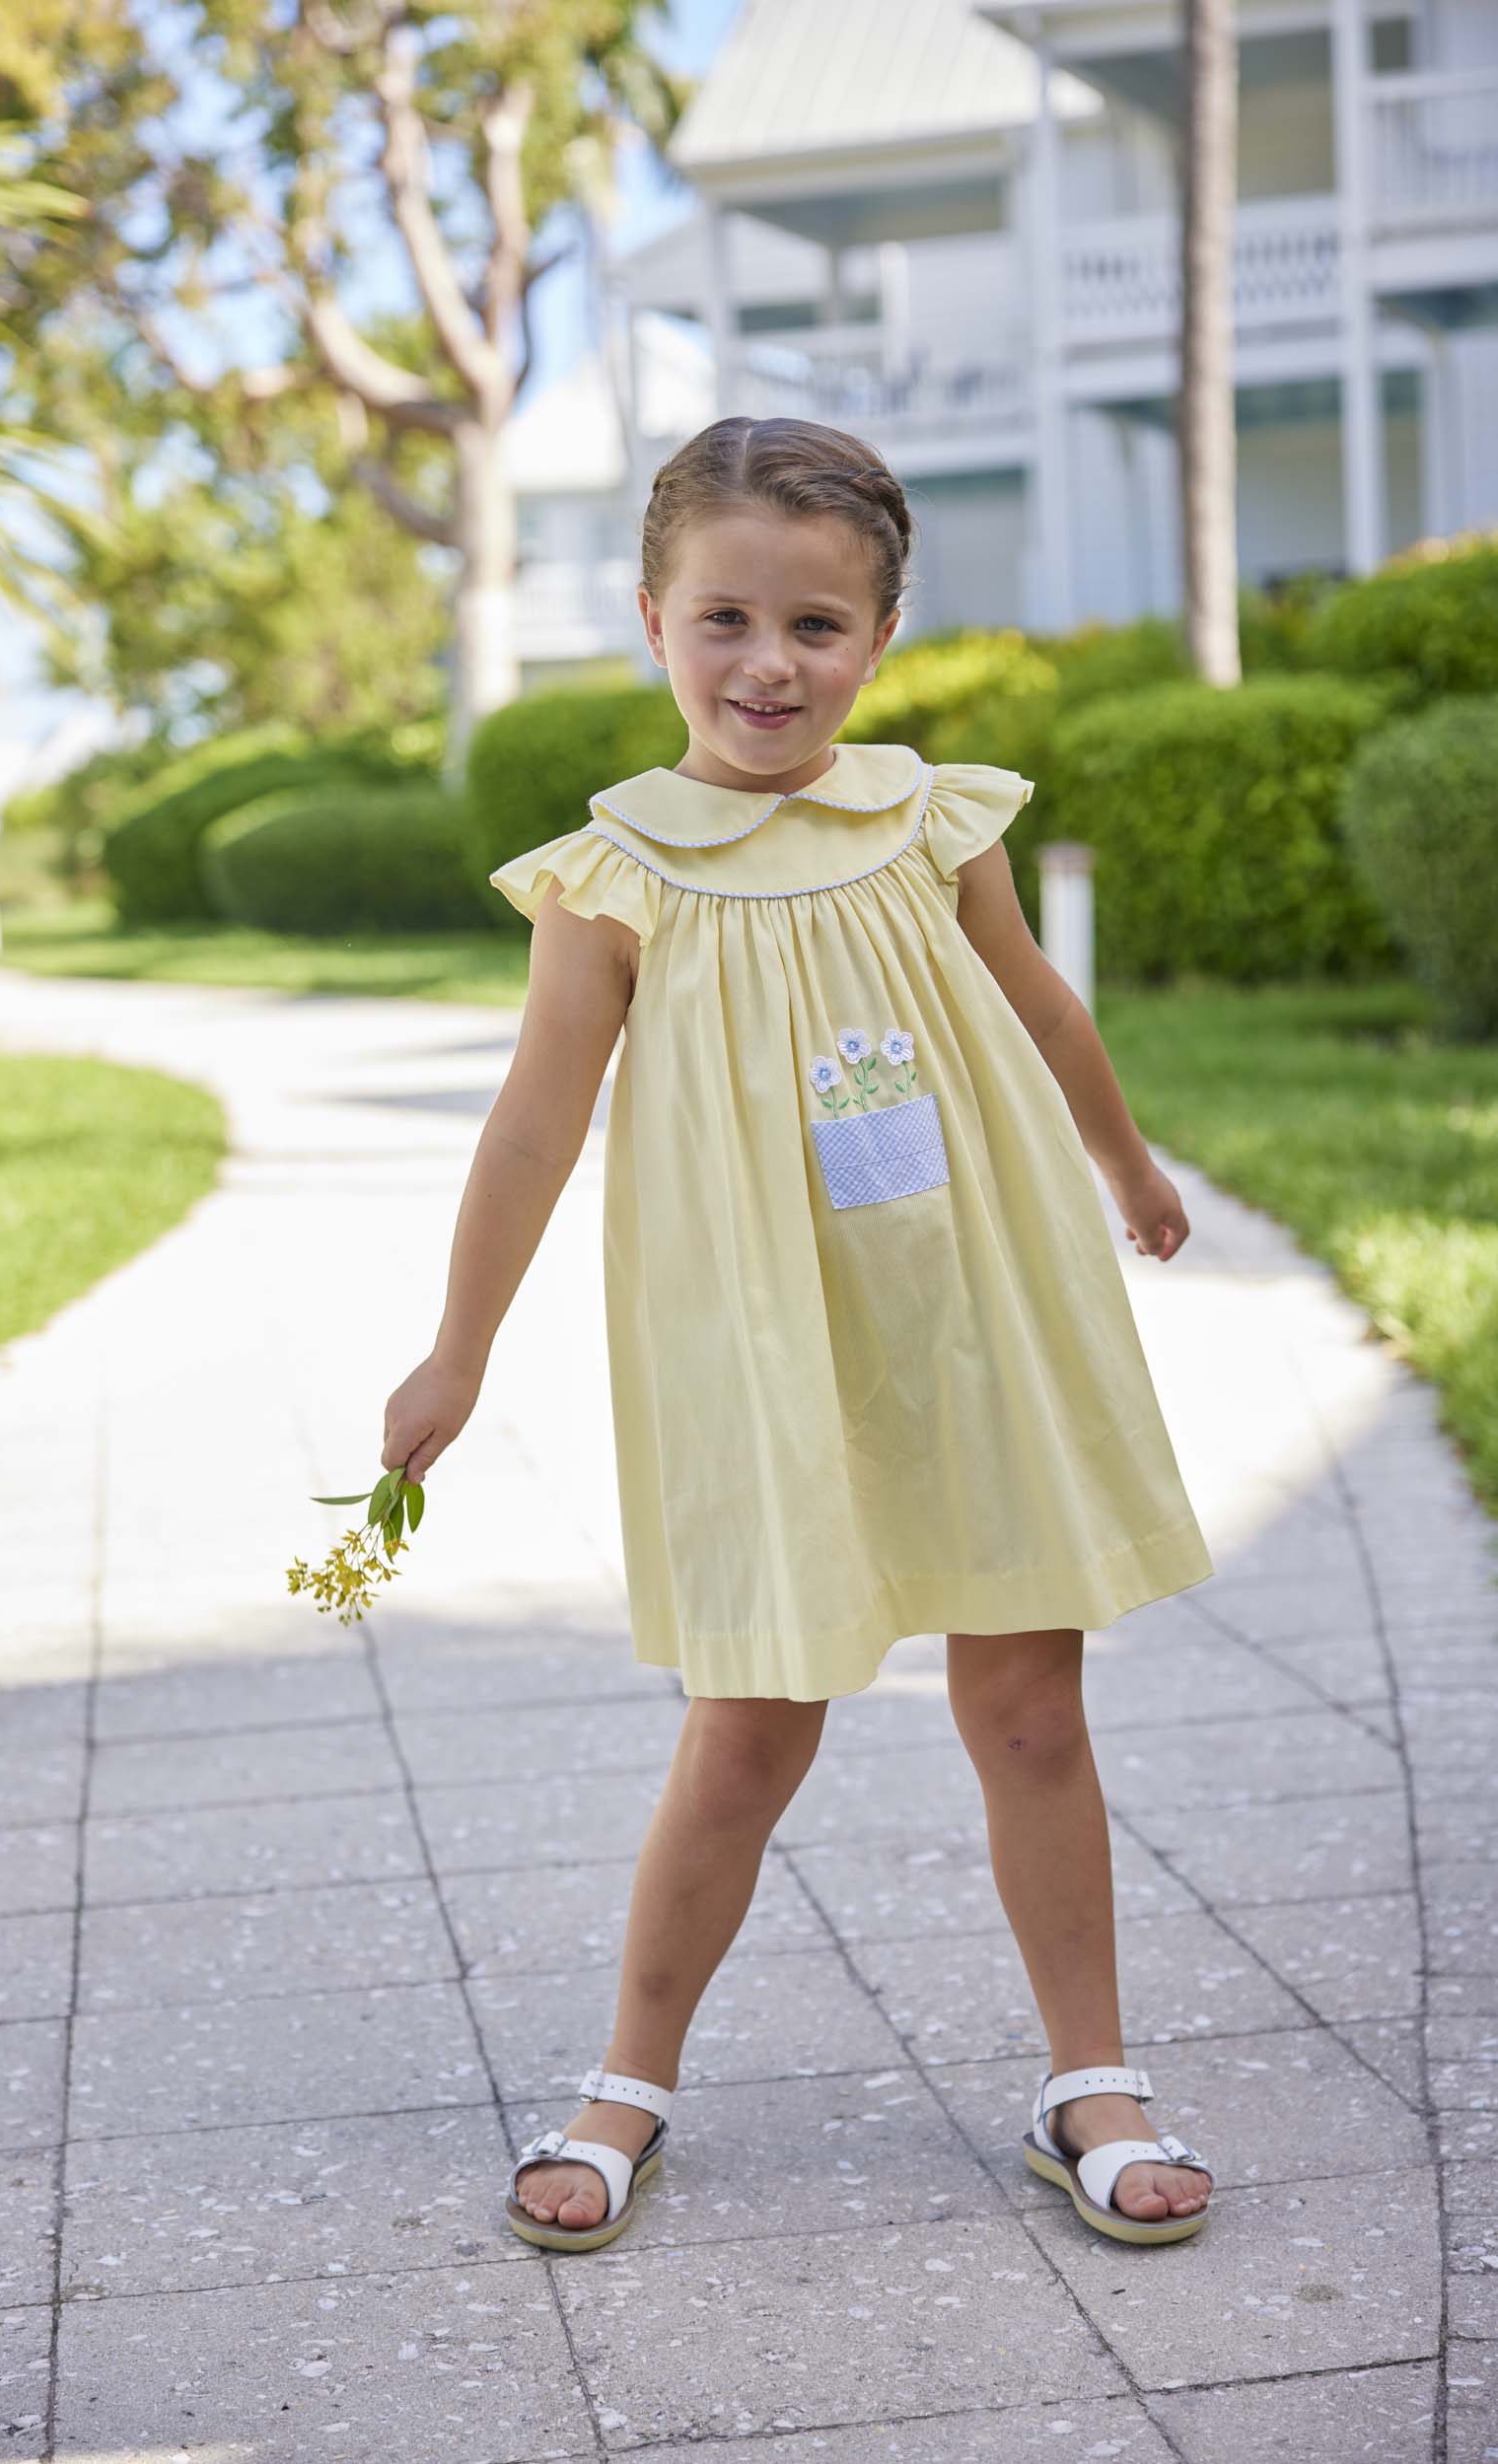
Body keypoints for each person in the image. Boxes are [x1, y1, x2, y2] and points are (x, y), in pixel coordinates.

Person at [379, 414, 1218, 2258]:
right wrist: (459, 1351)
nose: (771, 663)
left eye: (818, 627)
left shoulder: (934, 821)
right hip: (766, 1349)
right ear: (656, 621)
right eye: (728, 619)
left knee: (1029, 1704)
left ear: (883, 632)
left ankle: (1091, 2074)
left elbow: (1039, 1001)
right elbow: (533, 1125)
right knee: (749, 1723)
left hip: (976, 1315)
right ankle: (630, 2079)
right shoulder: (617, 876)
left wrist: (1126, 1161)